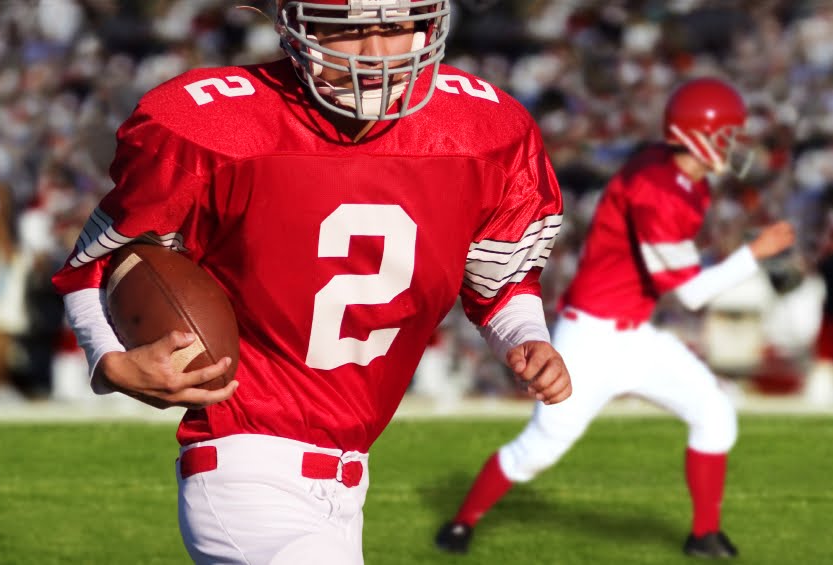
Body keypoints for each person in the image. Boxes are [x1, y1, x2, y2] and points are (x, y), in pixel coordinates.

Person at [51, 1, 571, 563]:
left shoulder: (484, 129)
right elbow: (96, 263)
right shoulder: (212, 124)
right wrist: (109, 359)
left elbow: (499, 279)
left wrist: (525, 338)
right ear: (294, 28)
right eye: (346, 32)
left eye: (396, 28)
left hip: (350, 476)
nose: (375, 55)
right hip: (245, 462)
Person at [435, 77, 797, 559]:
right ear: (695, 137)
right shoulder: (658, 188)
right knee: (541, 448)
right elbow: (689, 294)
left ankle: (704, 535)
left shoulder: (678, 176)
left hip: (633, 333)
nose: (733, 145)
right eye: (725, 133)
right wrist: (755, 253)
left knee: (715, 414)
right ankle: (461, 524)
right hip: (592, 339)